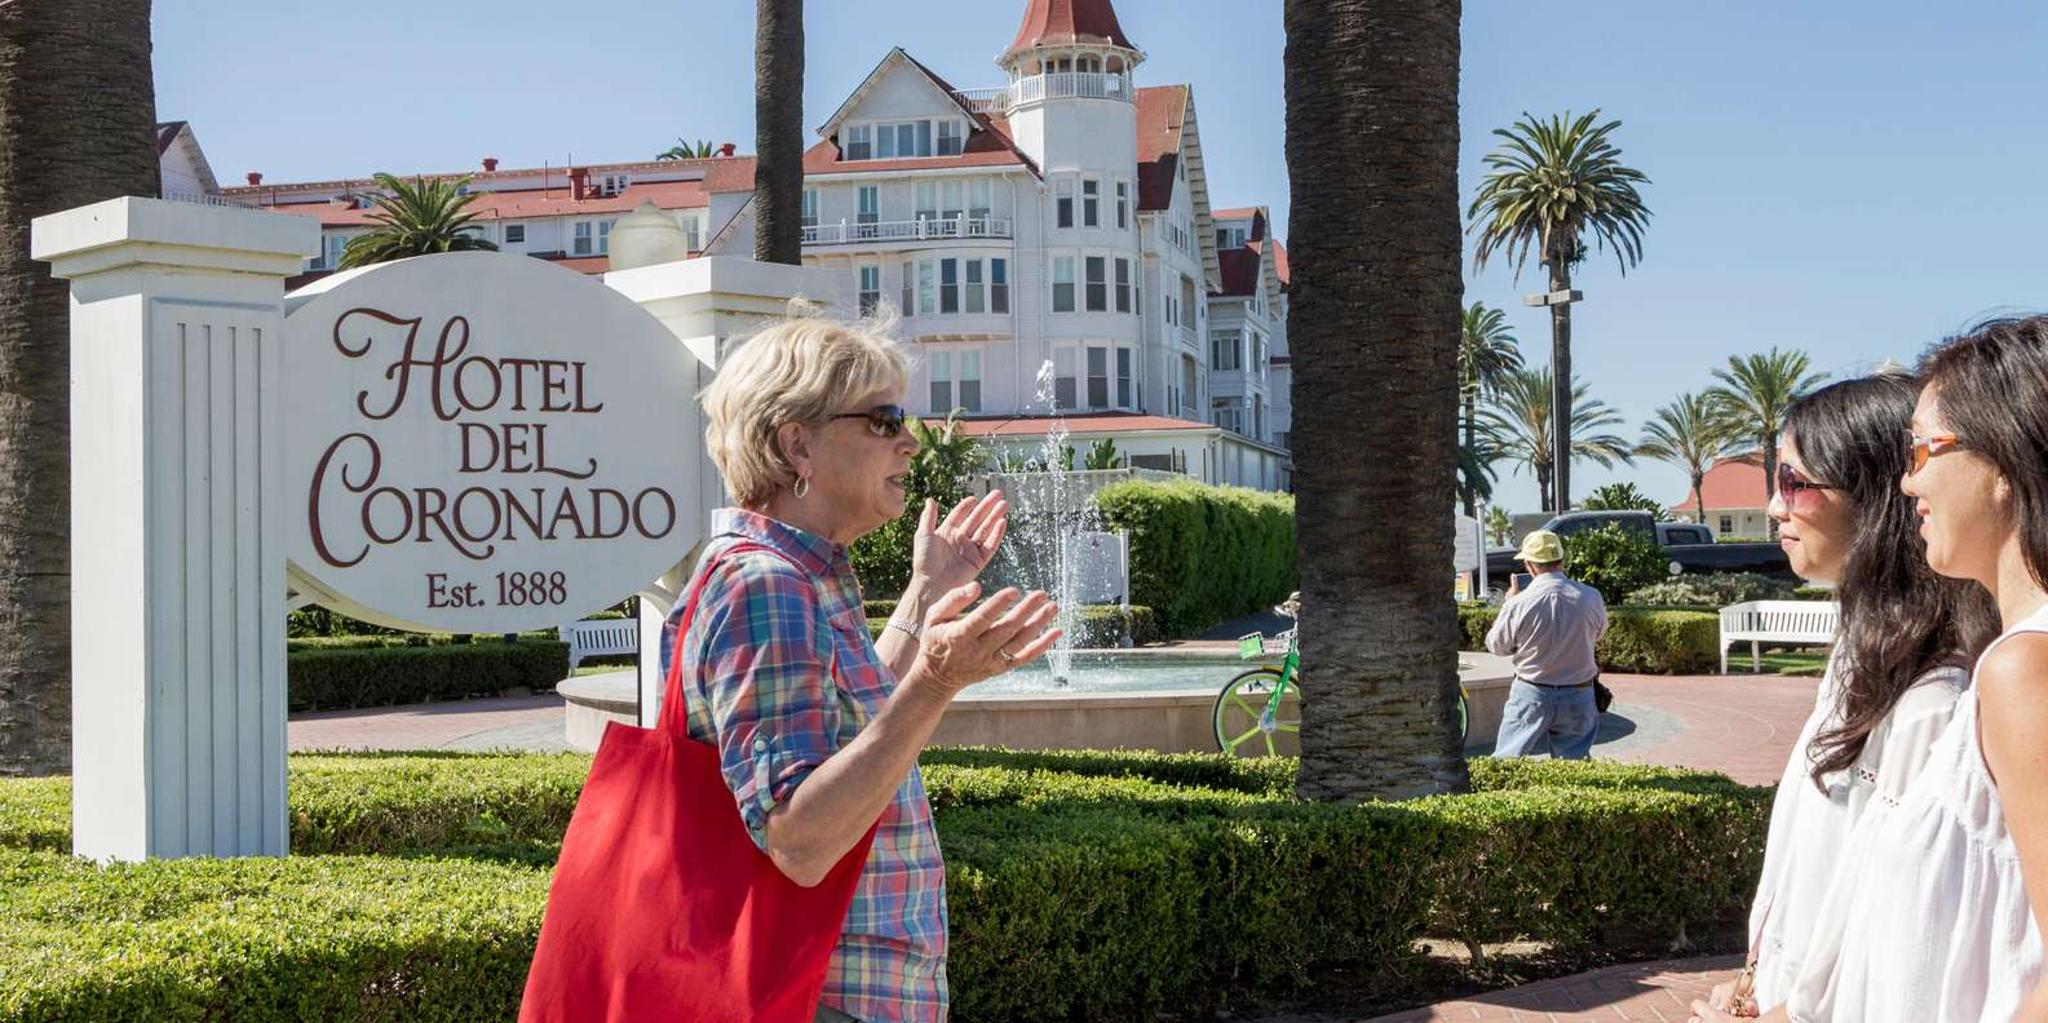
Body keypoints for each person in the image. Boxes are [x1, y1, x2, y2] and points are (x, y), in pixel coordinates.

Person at [670, 316, 1063, 1023]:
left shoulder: (793, 575)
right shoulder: (765, 585)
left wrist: (925, 592)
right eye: (885, 420)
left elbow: (843, 727)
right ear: (799, 444)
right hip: (814, 994)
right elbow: (799, 838)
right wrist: (935, 683)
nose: (911, 441)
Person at [1695, 317, 2048, 1023]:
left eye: (1924, 450)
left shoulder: (2007, 675)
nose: (1909, 476)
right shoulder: (1992, 670)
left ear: (2005, 464)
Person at [1486, 530, 1608, 759]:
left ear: (1530, 566)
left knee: (1507, 762)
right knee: (1575, 769)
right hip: (1579, 692)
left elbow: (1497, 646)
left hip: (1532, 692)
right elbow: (1598, 633)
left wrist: (1508, 603)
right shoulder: (1591, 597)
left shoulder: (1519, 603)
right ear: (1561, 561)